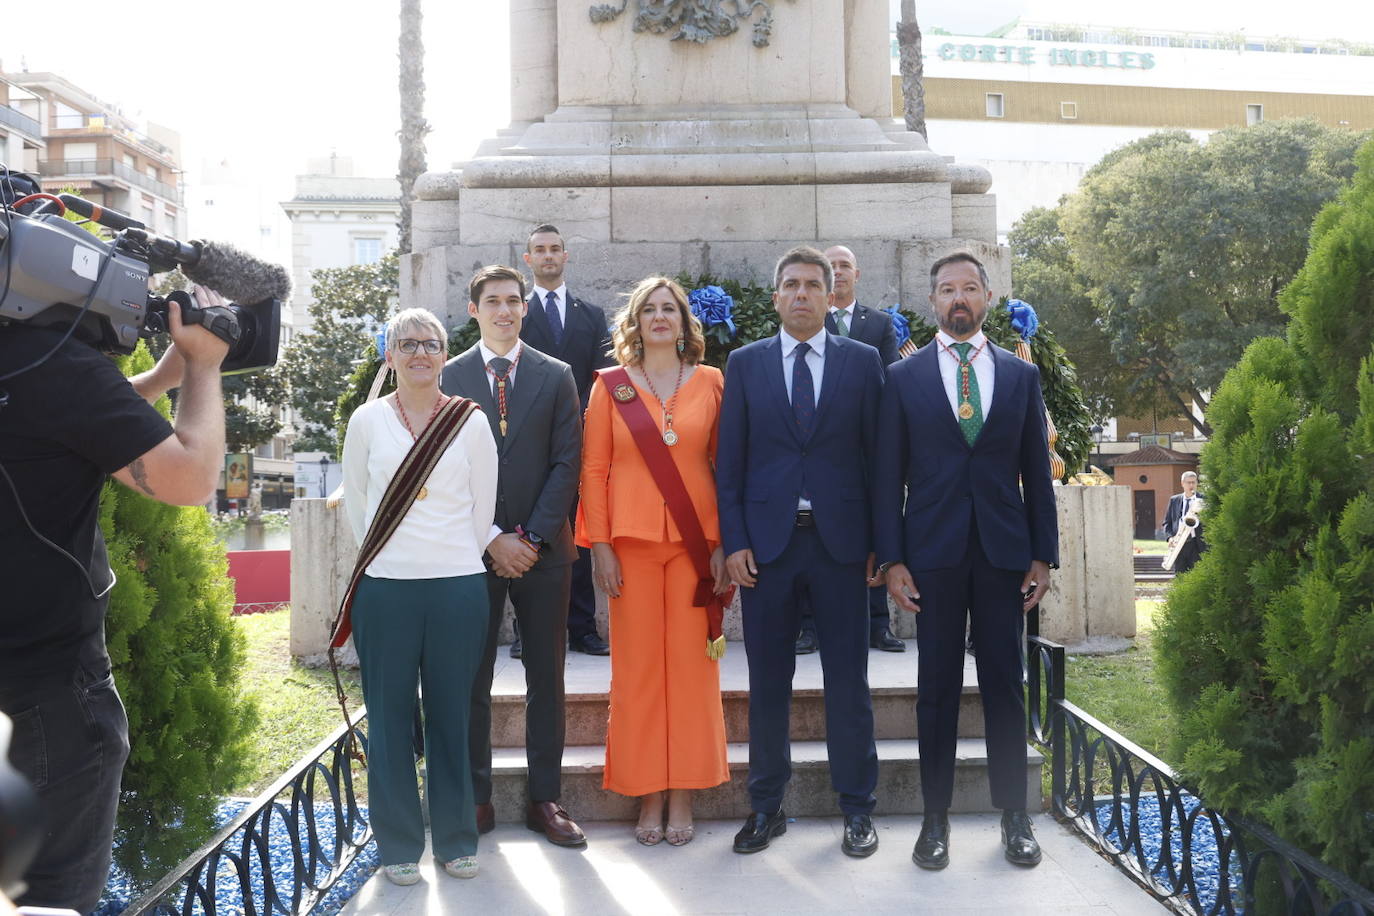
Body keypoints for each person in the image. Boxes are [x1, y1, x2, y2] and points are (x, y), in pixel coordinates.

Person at [0, 288, 229, 912]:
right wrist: (204, 365)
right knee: (43, 898)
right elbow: (189, 476)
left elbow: (58, 427)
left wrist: (159, 378)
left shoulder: (43, 374)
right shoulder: (48, 363)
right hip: (44, 695)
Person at [874, 251, 1058, 871]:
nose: (959, 298)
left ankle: (1015, 818)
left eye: (970, 288)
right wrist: (893, 559)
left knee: (1006, 684)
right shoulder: (902, 380)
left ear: (987, 297)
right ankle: (935, 820)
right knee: (937, 689)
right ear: (933, 302)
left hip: (1005, 554)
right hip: (933, 555)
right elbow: (886, 478)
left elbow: (1036, 469)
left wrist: (1044, 555)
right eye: (948, 289)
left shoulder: (1020, 376)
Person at [716, 246, 885, 859]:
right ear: (776, 296)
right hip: (768, 551)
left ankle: (858, 810)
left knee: (849, 682)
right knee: (768, 683)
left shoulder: (863, 363)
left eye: (815, 284)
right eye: (791, 284)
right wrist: (734, 543)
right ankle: (766, 806)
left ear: (831, 291)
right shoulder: (746, 364)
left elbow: (880, 462)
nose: (803, 294)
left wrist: (882, 548)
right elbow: (728, 464)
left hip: (843, 549)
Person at [341, 307, 498, 885]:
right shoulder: (366, 421)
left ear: (443, 354)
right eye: (405, 344)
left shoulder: (470, 422)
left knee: (451, 718)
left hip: (458, 588)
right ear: (390, 355)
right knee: (386, 720)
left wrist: (449, 556)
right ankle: (400, 843)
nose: (418, 353)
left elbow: (483, 511)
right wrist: (392, 558)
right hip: (385, 591)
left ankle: (457, 839)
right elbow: (357, 506)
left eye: (429, 343)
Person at [440, 265, 588, 848]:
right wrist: (491, 536)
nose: (504, 310)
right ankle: (476, 799)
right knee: (469, 675)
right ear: (473, 310)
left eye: (513, 301)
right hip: (471, 552)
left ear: (525, 309)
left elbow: (566, 463)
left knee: (546, 678)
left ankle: (544, 799)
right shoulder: (448, 377)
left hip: (544, 552)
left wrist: (529, 538)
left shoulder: (557, 376)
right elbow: (445, 469)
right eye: (493, 301)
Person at [580, 276, 731, 847]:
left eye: (671, 308)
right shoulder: (610, 387)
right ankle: (647, 793)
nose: (660, 317)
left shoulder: (713, 382)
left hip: (698, 548)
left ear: (686, 321)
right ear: (636, 323)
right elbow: (593, 469)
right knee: (639, 671)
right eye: (650, 309)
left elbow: (727, 467)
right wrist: (599, 545)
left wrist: (722, 544)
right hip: (631, 546)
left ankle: (685, 790)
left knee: (694, 670)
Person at [794, 244, 906, 655]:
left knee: (865, 545)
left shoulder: (877, 324)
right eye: (832, 266)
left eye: (844, 266)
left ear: (856, 274)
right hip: (811, 457)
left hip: (857, 453)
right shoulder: (802, 322)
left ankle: (878, 624)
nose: (838, 272)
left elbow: (888, 381)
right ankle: (808, 626)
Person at [519, 223, 614, 657]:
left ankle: (583, 629)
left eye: (555, 248)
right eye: (540, 250)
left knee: (578, 533)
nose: (548, 256)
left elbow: (601, 379)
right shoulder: (514, 313)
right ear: (528, 259)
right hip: (530, 440)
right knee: (530, 531)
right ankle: (527, 632)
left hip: (581, 439)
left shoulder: (590, 315)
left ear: (566, 255)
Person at [1163, 470, 1206, 573]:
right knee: (1180, 576)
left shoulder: (1204, 499)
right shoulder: (1174, 500)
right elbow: (1167, 523)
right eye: (1188, 482)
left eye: (1194, 482)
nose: (1191, 485)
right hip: (1179, 545)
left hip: (1197, 545)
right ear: (1182, 484)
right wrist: (1170, 538)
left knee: (1197, 576)